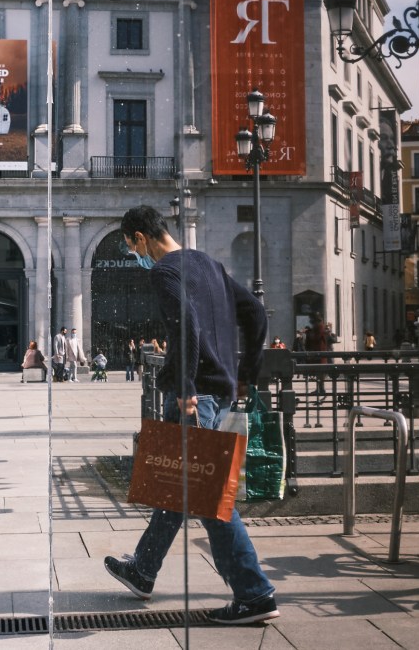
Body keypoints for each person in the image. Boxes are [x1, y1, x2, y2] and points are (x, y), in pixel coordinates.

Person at [104, 205, 279, 625]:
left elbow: (186, 328)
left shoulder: (165, 272)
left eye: (131, 248)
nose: (135, 256)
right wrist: (246, 375)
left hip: (196, 395)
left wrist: (184, 389)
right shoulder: (208, 264)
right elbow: (256, 313)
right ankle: (143, 569)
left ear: (141, 237)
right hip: (220, 391)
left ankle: (254, 594)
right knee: (179, 483)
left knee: (209, 495)